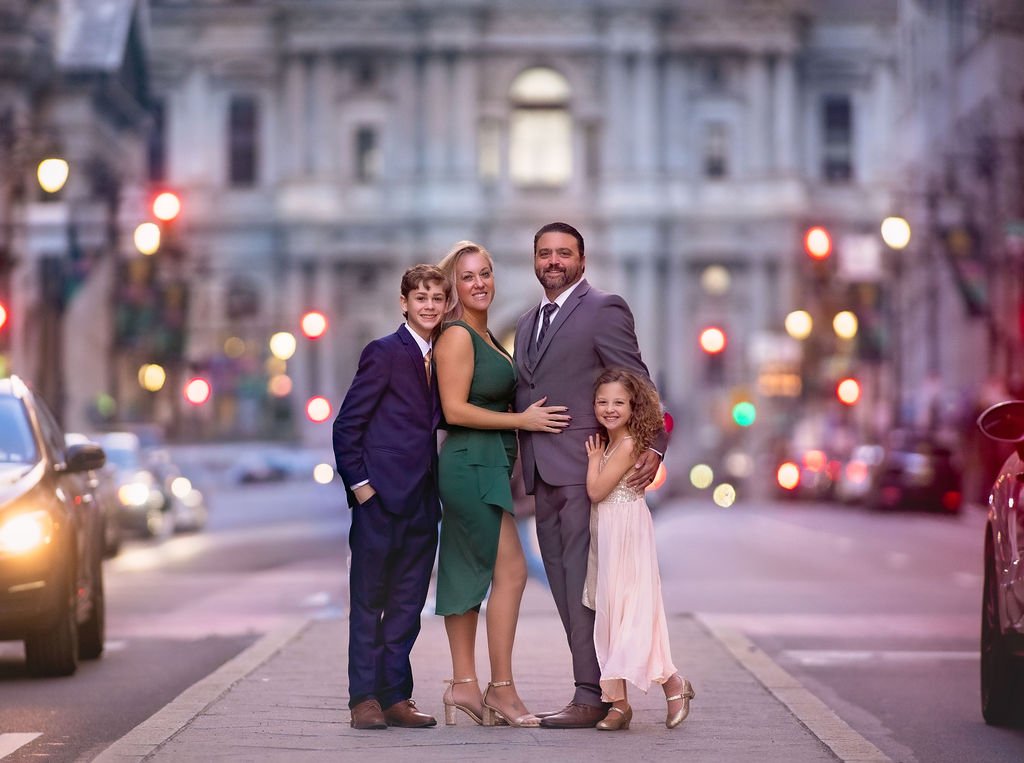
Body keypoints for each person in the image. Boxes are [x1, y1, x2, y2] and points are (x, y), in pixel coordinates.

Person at [513, 221, 668, 729]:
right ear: (534, 261)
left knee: (585, 587)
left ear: (583, 259)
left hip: (586, 471)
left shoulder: (604, 308)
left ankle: (593, 694)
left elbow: (636, 378)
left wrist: (653, 445)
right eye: (544, 254)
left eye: (563, 253)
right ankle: (598, 688)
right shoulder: (532, 320)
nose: (553, 261)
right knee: (562, 585)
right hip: (542, 473)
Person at [433, 241, 570, 728]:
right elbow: (453, 411)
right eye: (468, 276)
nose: (480, 283)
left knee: (470, 568)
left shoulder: (483, 335)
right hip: (471, 463)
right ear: (454, 285)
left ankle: (467, 687)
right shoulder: (456, 337)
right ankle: (500, 691)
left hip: (484, 463)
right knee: (510, 572)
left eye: (486, 273)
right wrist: (523, 420)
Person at [332, 264, 449, 730]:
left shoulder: (445, 357)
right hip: (379, 502)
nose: (428, 306)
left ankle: (396, 695)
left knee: (407, 604)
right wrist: (362, 488)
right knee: (368, 602)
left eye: (437, 299)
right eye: (420, 297)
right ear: (404, 303)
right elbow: (347, 426)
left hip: (423, 500)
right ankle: (364, 699)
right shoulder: (383, 353)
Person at [583, 368, 695, 731]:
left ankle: (673, 682)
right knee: (611, 613)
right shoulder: (612, 442)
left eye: (619, 402)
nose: (610, 409)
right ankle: (618, 704)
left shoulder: (629, 443)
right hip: (608, 533)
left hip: (627, 532)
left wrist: (591, 462)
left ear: (634, 407)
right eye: (602, 402)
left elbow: (597, 492)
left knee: (633, 615)